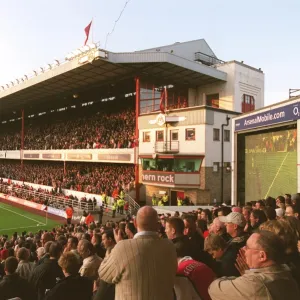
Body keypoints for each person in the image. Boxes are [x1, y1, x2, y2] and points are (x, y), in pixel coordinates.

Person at [99, 206, 177, 300]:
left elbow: (104, 273)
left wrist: (117, 246)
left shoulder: (122, 247)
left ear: (135, 223)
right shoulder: (169, 246)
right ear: (158, 225)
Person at [209, 231, 300, 300]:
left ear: (262, 256)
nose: (243, 249)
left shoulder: (255, 283)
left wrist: (247, 276)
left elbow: (213, 288)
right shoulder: (289, 273)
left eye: (247, 247)